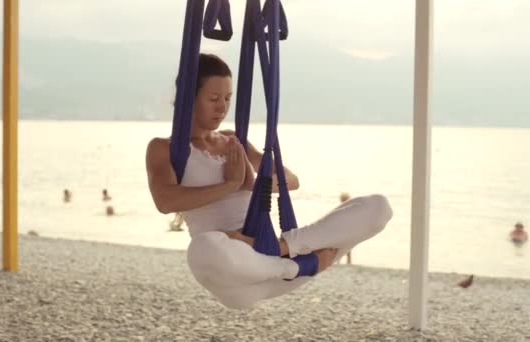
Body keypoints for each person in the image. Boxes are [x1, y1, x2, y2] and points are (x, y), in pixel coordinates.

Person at [145, 53, 393, 309]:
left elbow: (291, 180)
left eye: (228, 98)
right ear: (189, 97)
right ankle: (290, 264)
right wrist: (229, 185)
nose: (222, 107)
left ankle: (281, 249)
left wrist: (255, 186)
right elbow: (165, 201)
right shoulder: (165, 148)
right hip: (236, 274)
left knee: (378, 207)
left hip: (274, 254)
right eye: (213, 99)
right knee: (201, 247)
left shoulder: (233, 140)